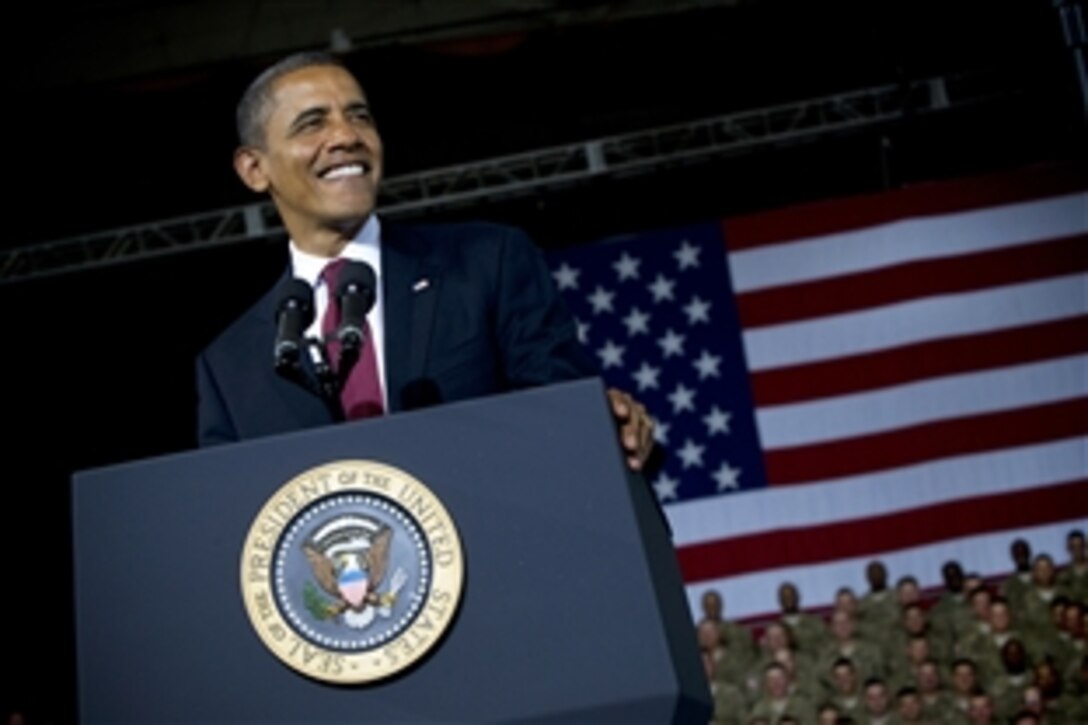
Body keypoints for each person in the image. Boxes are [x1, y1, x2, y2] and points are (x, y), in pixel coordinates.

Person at [195, 51, 654, 468]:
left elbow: (572, 429)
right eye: (312, 124)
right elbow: (233, 520)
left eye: (359, 116)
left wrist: (612, 426)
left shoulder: (486, 263)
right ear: (255, 169)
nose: (346, 136)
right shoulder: (230, 366)